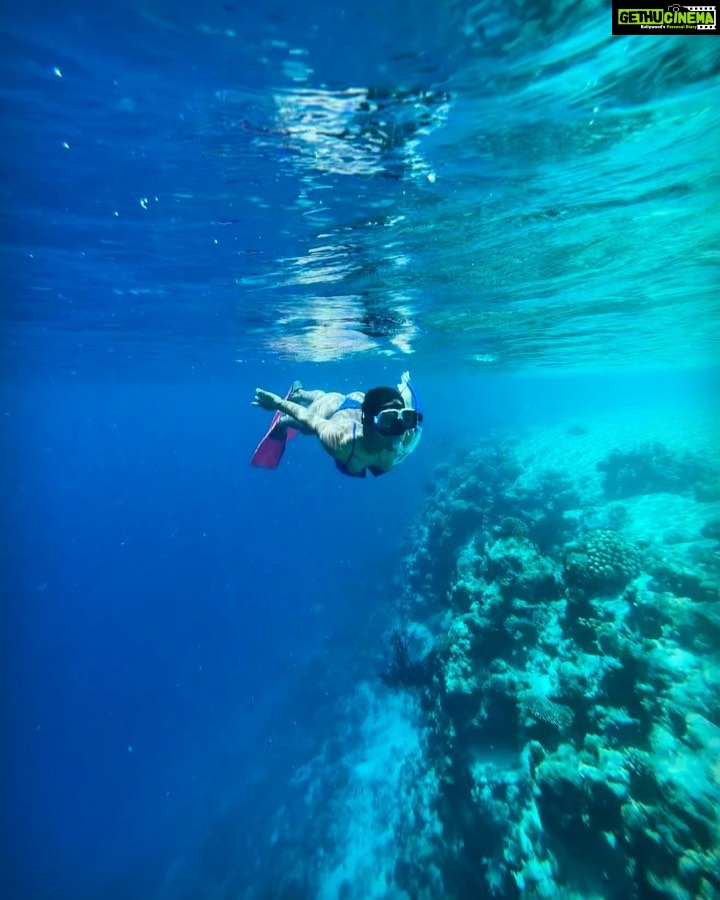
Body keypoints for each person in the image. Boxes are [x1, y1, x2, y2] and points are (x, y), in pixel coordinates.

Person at [251, 371, 423, 477]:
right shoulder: (342, 440)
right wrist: (278, 403)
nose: (399, 432)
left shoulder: (405, 433)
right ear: (370, 424)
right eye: (388, 421)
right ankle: (290, 409)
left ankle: (300, 392)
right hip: (339, 413)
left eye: (406, 418)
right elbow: (308, 418)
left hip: (361, 402)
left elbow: (408, 406)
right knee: (307, 425)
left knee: (326, 397)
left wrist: (405, 390)